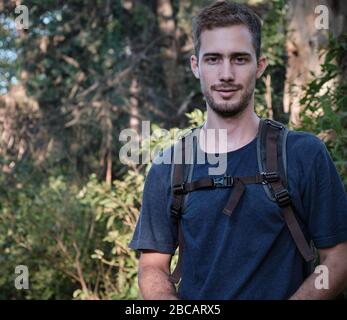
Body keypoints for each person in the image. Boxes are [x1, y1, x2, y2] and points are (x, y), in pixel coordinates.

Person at [128, 0, 347, 300]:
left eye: (240, 59)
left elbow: (338, 258)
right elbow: (152, 266)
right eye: (214, 59)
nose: (226, 74)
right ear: (196, 66)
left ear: (259, 66)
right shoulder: (169, 166)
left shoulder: (303, 154)